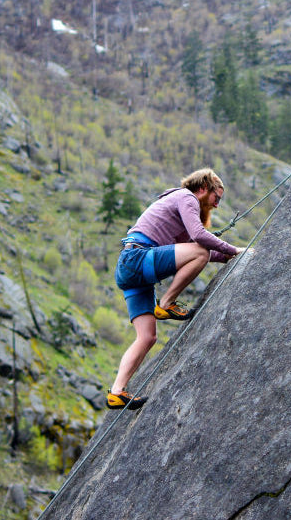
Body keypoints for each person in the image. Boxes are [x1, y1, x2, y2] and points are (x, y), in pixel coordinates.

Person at [107, 168, 246, 410]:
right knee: (200, 251)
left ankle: (116, 392)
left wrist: (227, 256)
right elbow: (199, 239)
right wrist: (233, 249)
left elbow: (191, 248)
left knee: (147, 337)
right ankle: (167, 303)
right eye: (216, 198)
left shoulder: (177, 206)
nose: (216, 205)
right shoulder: (186, 197)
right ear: (203, 189)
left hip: (130, 268)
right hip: (138, 259)